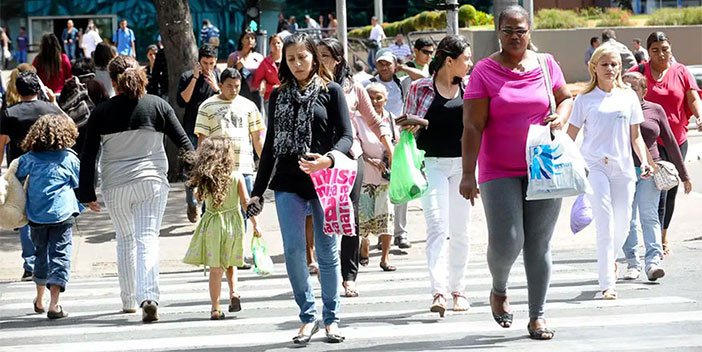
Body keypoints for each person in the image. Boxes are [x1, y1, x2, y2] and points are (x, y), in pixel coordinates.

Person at [461, 5, 573, 340]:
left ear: (530, 32)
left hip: (543, 164)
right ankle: (499, 288)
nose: (514, 36)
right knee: (508, 240)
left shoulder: (545, 64)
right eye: (508, 30)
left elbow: (565, 98)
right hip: (498, 168)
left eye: (520, 30)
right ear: (498, 31)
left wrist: (562, 116)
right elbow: (472, 126)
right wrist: (468, 173)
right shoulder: (484, 71)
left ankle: (537, 316)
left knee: (538, 244)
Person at [248, 32, 352, 345]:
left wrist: (329, 160)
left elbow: (347, 136)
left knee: (326, 252)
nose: (297, 64)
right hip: (288, 182)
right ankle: (307, 316)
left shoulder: (331, 91)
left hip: (324, 180)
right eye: (290, 59)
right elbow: (269, 149)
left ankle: (331, 318)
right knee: (294, 252)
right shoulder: (278, 95)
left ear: (314, 57)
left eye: (302, 57)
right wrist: (257, 191)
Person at [79, 55, 193, 322]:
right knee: (147, 238)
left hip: (115, 185)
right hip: (151, 182)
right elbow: (185, 145)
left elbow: (89, 155)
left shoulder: (102, 112)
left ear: (113, 80)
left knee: (126, 240)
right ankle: (149, 297)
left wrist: (87, 192)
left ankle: (129, 300)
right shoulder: (158, 105)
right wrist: (199, 178)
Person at [567, 45, 652, 301]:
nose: (610, 69)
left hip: (624, 167)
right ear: (594, 67)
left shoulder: (628, 98)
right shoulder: (583, 99)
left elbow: (635, 136)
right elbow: (570, 137)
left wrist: (644, 161)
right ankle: (607, 283)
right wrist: (572, 164)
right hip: (595, 167)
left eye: (614, 64)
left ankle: (610, 261)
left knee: (624, 224)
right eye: (604, 64)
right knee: (604, 223)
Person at [317, 37, 394, 297]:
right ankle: (326, 268)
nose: (321, 60)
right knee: (323, 216)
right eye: (318, 55)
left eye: (325, 56)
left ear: (338, 59)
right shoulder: (310, 85)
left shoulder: (354, 88)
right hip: (320, 160)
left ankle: (349, 276)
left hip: (351, 157)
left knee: (350, 216)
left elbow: (373, 121)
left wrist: (388, 146)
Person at [404, 35, 474, 317]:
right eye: (465, 58)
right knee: (437, 226)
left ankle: (458, 289)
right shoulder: (421, 87)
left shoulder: (470, 88)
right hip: (430, 164)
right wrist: (414, 124)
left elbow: (479, 127)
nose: (469, 63)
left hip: (463, 167)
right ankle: (439, 291)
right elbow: (406, 125)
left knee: (461, 231)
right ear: (449, 61)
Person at [626, 31, 702, 255]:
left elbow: (692, 97)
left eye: (665, 49)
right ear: (647, 52)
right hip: (648, 142)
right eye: (655, 50)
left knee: (670, 190)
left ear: (671, 49)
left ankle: (663, 234)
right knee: (655, 193)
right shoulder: (639, 72)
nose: (661, 54)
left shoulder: (681, 71)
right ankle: (653, 240)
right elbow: (618, 90)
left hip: (675, 140)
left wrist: (699, 115)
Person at [621, 71, 691, 282]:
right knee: (628, 219)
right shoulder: (616, 111)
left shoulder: (655, 109)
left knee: (649, 215)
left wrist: (684, 174)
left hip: (648, 170)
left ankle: (653, 263)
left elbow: (670, 142)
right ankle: (632, 263)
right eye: (625, 87)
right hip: (622, 172)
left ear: (644, 90)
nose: (629, 91)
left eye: (634, 87)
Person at [183, 137, 263, 320]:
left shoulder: (206, 179)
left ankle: (215, 308)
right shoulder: (236, 177)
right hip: (233, 225)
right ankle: (234, 292)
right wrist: (256, 224)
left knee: (215, 268)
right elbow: (245, 203)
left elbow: (198, 197)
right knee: (231, 262)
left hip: (212, 225)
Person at [0, 71, 64, 282]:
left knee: (22, 214)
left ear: (18, 90)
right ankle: (45, 260)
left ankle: (30, 263)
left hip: (20, 168)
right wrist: (54, 102)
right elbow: (67, 131)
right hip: (47, 168)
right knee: (45, 212)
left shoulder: (9, 113)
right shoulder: (49, 110)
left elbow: (1, 145)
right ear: (39, 89)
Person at [16, 114, 81, 320]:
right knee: (60, 255)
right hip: (62, 214)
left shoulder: (28, 159)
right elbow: (79, 182)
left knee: (40, 254)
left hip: (36, 216)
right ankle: (54, 304)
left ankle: (39, 298)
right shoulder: (69, 158)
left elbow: (14, 179)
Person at [362, 49, 412, 249]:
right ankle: (379, 235)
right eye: (380, 63)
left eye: (388, 64)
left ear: (394, 65)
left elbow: (424, 76)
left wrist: (402, 67)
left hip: (397, 139)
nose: (384, 67)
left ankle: (400, 233)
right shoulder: (368, 84)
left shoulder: (402, 82)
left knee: (399, 188)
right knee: (375, 190)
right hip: (373, 141)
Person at [194, 67, 265, 200]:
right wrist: (201, 172)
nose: (233, 90)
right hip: (217, 168)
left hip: (244, 168)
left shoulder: (249, 106)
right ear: (220, 85)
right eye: (229, 86)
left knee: (244, 211)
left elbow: (257, 139)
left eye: (237, 86)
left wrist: (266, 164)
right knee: (215, 209)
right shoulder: (206, 106)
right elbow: (202, 142)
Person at [178, 44, 221, 223]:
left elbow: (226, 99)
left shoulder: (218, 76)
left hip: (213, 129)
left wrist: (216, 87)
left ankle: (205, 209)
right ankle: (192, 201)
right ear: (199, 62)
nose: (208, 67)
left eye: (212, 63)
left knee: (210, 167)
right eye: (205, 63)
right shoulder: (187, 76)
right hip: (192, 127)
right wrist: (195, 78)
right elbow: (182, 101)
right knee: (192, 167)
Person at [357, 83, 396, 274]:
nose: (374, 101)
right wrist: (370, 160)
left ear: (386, 99)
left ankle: (385, 258)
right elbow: (353, 146)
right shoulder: (357, 119)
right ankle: (364, 244)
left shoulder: (391, 119)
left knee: (387, 216)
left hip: (386, 178)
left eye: (378, 97)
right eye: (370, 97)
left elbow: (396, 143)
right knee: (365, 217)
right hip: (365, 175)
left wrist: (390, 157)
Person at [58, 57, 109, 155]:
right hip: (94, 128)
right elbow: (106, 105)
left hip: (73, 129)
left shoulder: (68, 85)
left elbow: (61, 106)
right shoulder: (97, 84)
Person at [227, 29, 265, 112]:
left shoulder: (259, 57)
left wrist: (262, 83)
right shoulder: (233, 56)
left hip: (255, 93)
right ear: (242, 40)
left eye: (252, 38)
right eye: (247, 38)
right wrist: (237, 68)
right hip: (239, 93)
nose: (250, 40)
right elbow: (227, 76)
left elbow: (263, 75)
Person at [252, 34, 283, 118]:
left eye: (278, 43)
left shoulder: (288, 60)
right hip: (270, 98)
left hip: (287, 97)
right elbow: (256, 83)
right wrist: (270, 87)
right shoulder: (265, 62)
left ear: (282, 44)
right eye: (273, 43)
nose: (276, 45)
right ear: (269, 46)